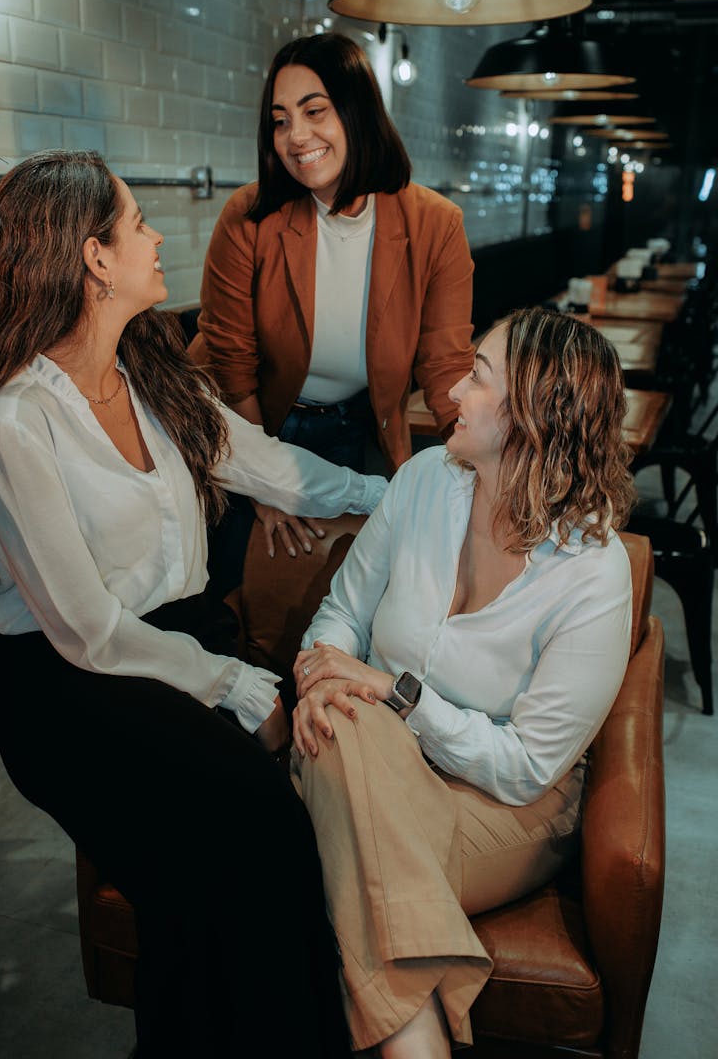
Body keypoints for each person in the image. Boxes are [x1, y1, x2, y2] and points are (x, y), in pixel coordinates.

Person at [0, 149, 389, 1059]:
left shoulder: (160, 381)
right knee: (259, 822)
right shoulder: (12, 425)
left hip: (182, 642)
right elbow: (84, 630)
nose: (156, 236)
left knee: (206, 882)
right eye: (135, 222)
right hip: (71, 686)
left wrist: (404, 492)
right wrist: (235, 686)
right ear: (93, 259)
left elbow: (282, 471)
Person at [289, 306, 636, 1058]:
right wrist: (322, 674)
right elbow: (339, 616)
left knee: (348, 750)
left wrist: (400, 696)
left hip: (508, 807)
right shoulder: (421, 481)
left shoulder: (594, 572)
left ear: (533, 415)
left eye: (477, 376)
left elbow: (527, 769)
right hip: (373, 757)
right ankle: (416, 1038)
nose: (451, 392)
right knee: (344, 724)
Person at [187, 31, 475, 589]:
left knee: (359, 577)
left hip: (352, 424)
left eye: (314, 111)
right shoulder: (248, 215)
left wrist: (482, 463)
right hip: (240, 422)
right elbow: (230, 359)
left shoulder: (435, 224)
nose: (296, 136)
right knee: (227, 574)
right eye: (280, 119)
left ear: (357, 111)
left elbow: (445, 363)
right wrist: (262, 482)